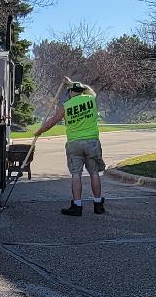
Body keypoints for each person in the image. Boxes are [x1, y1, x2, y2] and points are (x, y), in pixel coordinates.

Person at [32, 81, 106, 216]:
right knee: (94, 173)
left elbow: (51, 122)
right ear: (83, 91)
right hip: (92, 142)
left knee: (76, 174)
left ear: (71, 92)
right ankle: (98, 204)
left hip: (74, 144)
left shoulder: (66, 106)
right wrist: (75, 83)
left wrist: (39, 131)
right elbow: (91, 91)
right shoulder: (91, 99)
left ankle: (77, 205)